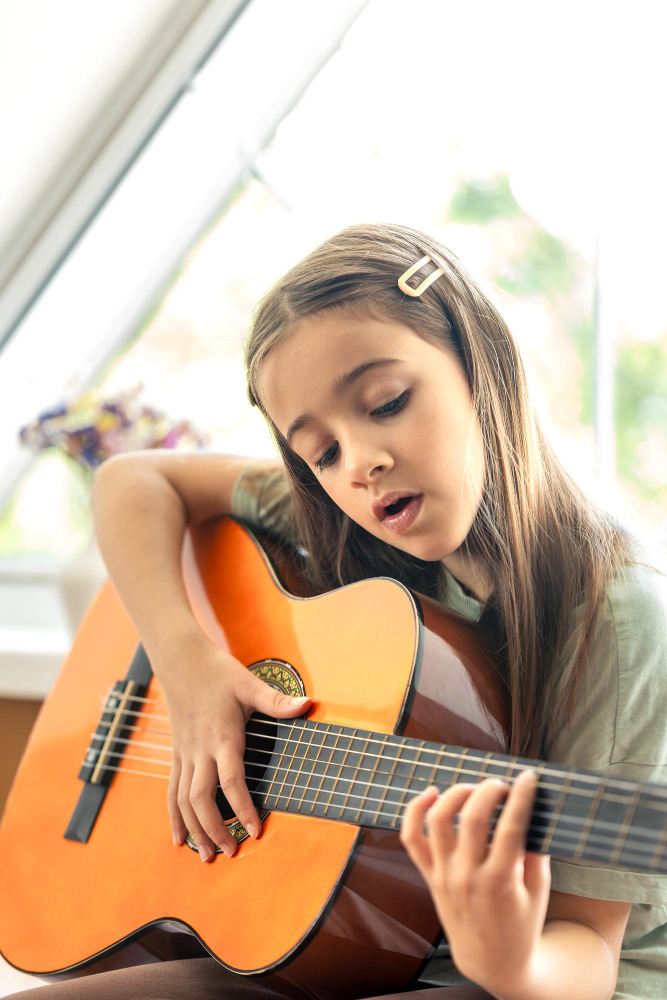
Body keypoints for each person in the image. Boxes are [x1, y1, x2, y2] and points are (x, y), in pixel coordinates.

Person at [10, 222, 666, 1000]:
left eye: (386, 402)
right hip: (365, 939)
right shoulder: (347, 521)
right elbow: (133, 482)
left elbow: (587, 948)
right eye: (319, 453)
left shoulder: (616, 614)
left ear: (478, 360)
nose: (357, 463)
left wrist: (508, 960)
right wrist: (189, 669)